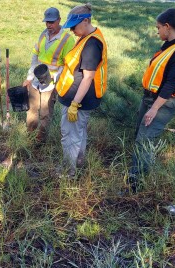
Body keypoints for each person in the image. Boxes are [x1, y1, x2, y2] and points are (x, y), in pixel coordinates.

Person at [127, 8, 175, 192]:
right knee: (140, 139)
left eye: (158, 27)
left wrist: (154, 108)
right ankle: (138, 179)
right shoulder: (169, 46)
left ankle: (136, 187)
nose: (157, 31)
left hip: (161, 103)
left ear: (167, 26)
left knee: (144, 142)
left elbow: (171, 84)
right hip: (149, 98)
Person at [55, 3, 108, 177]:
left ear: (86, 21)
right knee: (78, 132)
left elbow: (88, 77)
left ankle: (68, 173)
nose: (71, 31)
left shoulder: (92, 44)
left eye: (74, 27)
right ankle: (78, 163)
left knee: (70, 136)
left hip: (79, 99)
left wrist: (74, 104)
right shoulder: (86, 36)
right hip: (74, 95)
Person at [24, 7, 75, 144]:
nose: (49, 25)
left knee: (45, 115)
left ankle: (40, 143)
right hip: (36, 81)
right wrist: (29, 77)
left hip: (50, 84)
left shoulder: (67, 40)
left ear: (59, 20)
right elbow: (35, 55)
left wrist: (55, 77)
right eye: (47, 22)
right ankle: (30, 139)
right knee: (31, 111)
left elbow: (68, 65)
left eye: (52, 22)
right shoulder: (43, 34)